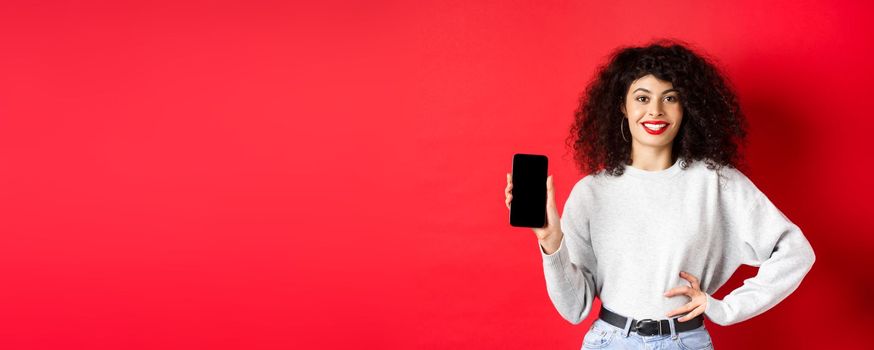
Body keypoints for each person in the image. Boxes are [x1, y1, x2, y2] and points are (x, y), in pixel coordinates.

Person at [503, 40, 815, 349]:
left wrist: (724, 308)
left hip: (685, 341)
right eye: (642, 97)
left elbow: (795, 252)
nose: (655, 111)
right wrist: (550, 240)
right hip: (609, 342)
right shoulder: (591, 193)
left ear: (686, 107)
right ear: (622, 106)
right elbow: (575, 309)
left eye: (670, 98)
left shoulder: (716, 182)